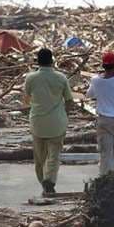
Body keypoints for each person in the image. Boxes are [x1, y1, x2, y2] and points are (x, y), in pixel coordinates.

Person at [23, 48, 73, 195]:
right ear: (52, 61)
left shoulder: (30, 78)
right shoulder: (61, 78)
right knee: (54, 155)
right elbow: (69, 100)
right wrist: (65, 114)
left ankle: (44, 182)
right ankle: (49, 180)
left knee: (39, 158)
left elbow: (26, 99)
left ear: (37, 62)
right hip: (57, 122)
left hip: (37, 122)